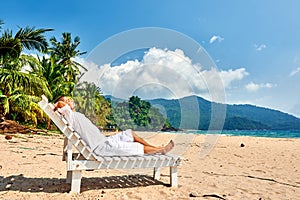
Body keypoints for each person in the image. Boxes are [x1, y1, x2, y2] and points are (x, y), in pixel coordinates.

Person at [54, 96, 174, 156]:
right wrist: (57, 104)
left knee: (130, 133)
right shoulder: (69, 116)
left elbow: (61, 105)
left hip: (105, 141)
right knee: (136, 146)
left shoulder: (74, 115)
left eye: (69, 98)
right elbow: (59, 104)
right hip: (101, 148)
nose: (70, 100)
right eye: (67, 99)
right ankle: (160, 150)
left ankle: (155, 147)